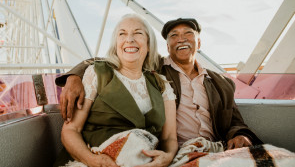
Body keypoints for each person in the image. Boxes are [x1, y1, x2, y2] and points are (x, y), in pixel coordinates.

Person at [56, 17, 263, 151]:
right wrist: (74, 76)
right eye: (174, 35)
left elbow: (236, 122)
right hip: (181, 151)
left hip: (216, 148)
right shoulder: (157, 71)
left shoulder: (222, 83)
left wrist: (240, 135)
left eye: (188, 33)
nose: (181, 39)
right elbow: (113, 59)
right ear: (166, 46)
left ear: (199, 43)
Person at [55, 14, 178, 167]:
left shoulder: (162, 84)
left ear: (148, 43)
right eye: (122, 34)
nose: (129, 39)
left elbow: (169, 139)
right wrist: (92, 160)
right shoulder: (97, 74)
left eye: (138, 33)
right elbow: (70, 130)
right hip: (94, 160)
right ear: (116, 43)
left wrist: (168, 156)